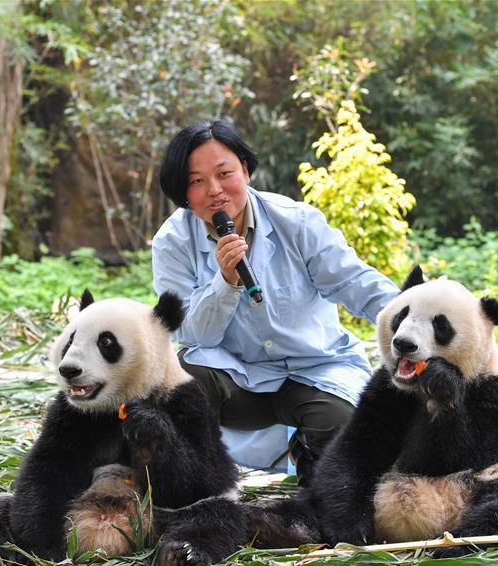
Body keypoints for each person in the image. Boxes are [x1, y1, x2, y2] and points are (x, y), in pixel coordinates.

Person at [151, 119, 400, 485]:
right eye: (196, 181)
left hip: (313, 369)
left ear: (246, 171)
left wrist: (410, 315)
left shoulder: (297, 222)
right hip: (236, 377)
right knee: (183, 381)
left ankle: (311, 468)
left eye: (225, 173)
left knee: (343, 423)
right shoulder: (172, 243)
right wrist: (226, 281)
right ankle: (198, 481)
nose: (215, 190)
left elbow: (354, 281)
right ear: (183, 192)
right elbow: (190, 333)